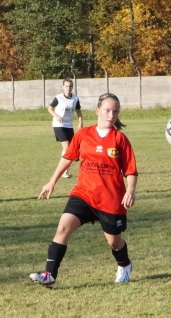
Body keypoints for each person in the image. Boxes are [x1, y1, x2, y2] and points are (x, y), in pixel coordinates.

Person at [30, 93, 138, 288]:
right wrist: (52, 181)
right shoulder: (83, 134)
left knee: (114, 242)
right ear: (97, 111)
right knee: (63, 227)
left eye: (115, 111)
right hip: (84, 194)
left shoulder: (120, 139)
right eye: (107, 110)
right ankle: (49, 276)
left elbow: (130, 170)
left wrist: (130, 191)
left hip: (110, 199)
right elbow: (68, 157)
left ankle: (125, 264)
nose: (111, 115)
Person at [48, 78, 83, 178]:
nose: (68, 88)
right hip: (58, 125)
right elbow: (50, 108)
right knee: (67, 148)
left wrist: (80, 123)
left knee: (72, 148)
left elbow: (78, 111)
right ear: (63, 87)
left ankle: (66, 171)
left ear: (72, 87)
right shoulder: (58, 98)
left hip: (69, 125)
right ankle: (64, 172)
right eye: (66, 86)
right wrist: (56, 116)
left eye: (70, 86)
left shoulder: (75, 99)